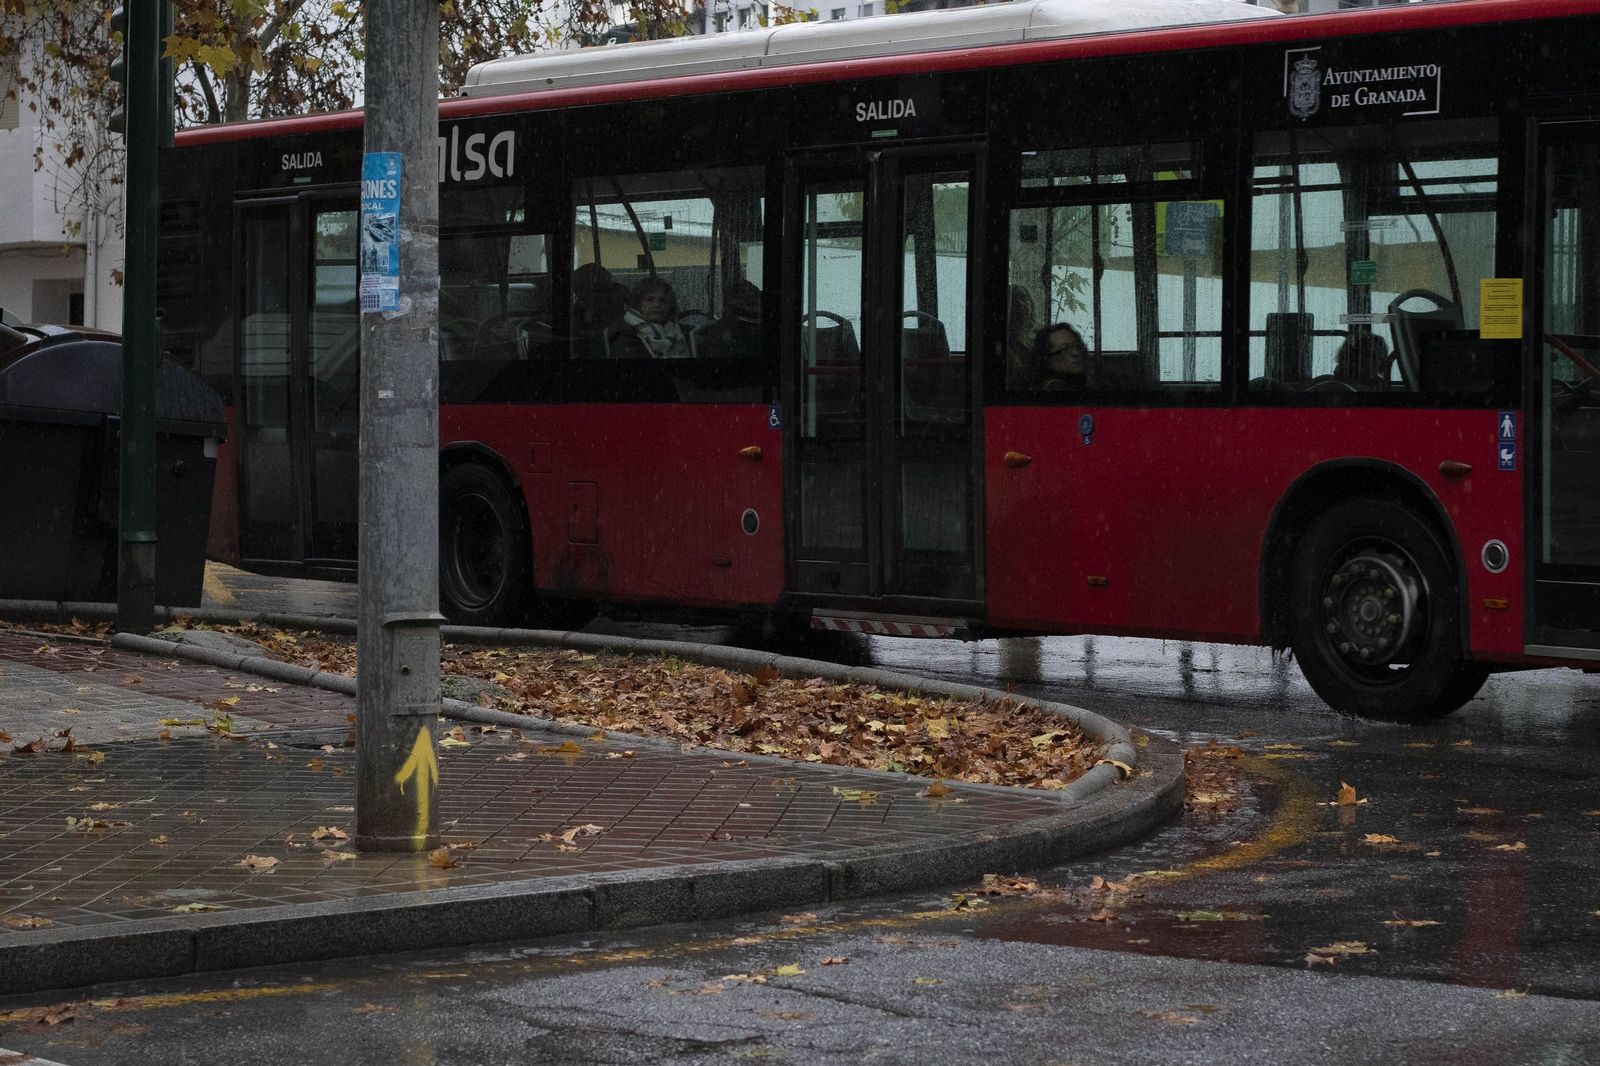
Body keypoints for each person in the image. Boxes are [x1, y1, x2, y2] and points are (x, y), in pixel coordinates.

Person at [607, 275, 690, 359]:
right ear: (638, 304)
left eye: (662, 300)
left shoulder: (679, 332)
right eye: (649, 299)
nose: (657, 305)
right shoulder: (624, 335)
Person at [1032, 321, 1090, 391]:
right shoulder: (1053, 387)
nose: (1076, 353)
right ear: (1047, 358)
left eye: (1077, 346)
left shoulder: (1079, 382)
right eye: (1064, 349)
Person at [1006, 286, 1038, 386]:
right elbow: (1018, 369)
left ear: (1031, 304)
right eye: (1015, 300)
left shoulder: (1042, 330)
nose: (1021, 304)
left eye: (1024, 298)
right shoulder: (1007, 336)